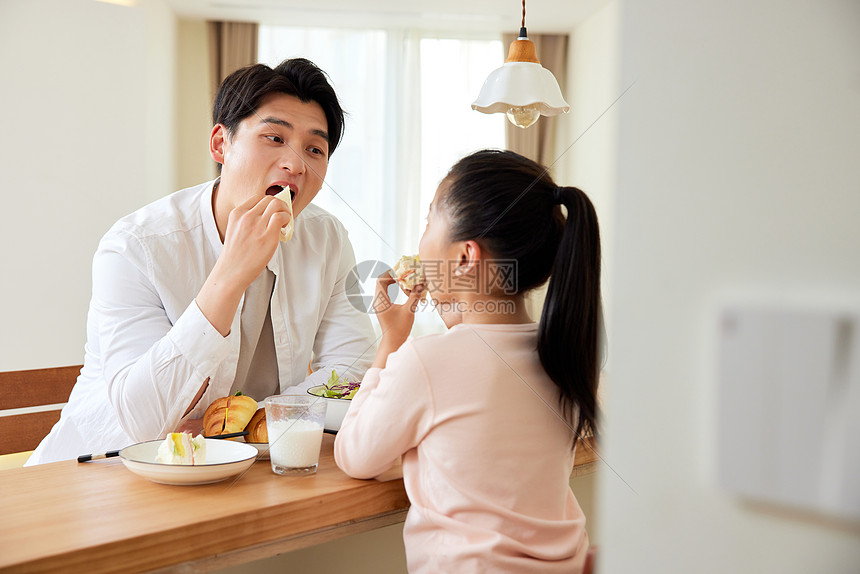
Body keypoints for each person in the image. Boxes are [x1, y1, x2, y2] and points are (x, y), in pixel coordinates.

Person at [27, 58, 376, 465]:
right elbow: (143, 420)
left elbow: (350, 373)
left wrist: (247, 425)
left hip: (246, 467)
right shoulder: (134, 247)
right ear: (220, 144)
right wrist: (229, 276)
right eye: (274, 138)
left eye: (314, 149)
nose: (296, 164)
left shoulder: (327, 238)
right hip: (103, 468)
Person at [334, 149, 601, 573]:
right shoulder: (565, 353)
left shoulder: (425, 361)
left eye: (427, 221)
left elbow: (355, 455)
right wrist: (459, 319)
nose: (421, 239)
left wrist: (390, 343)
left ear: (463, 258)